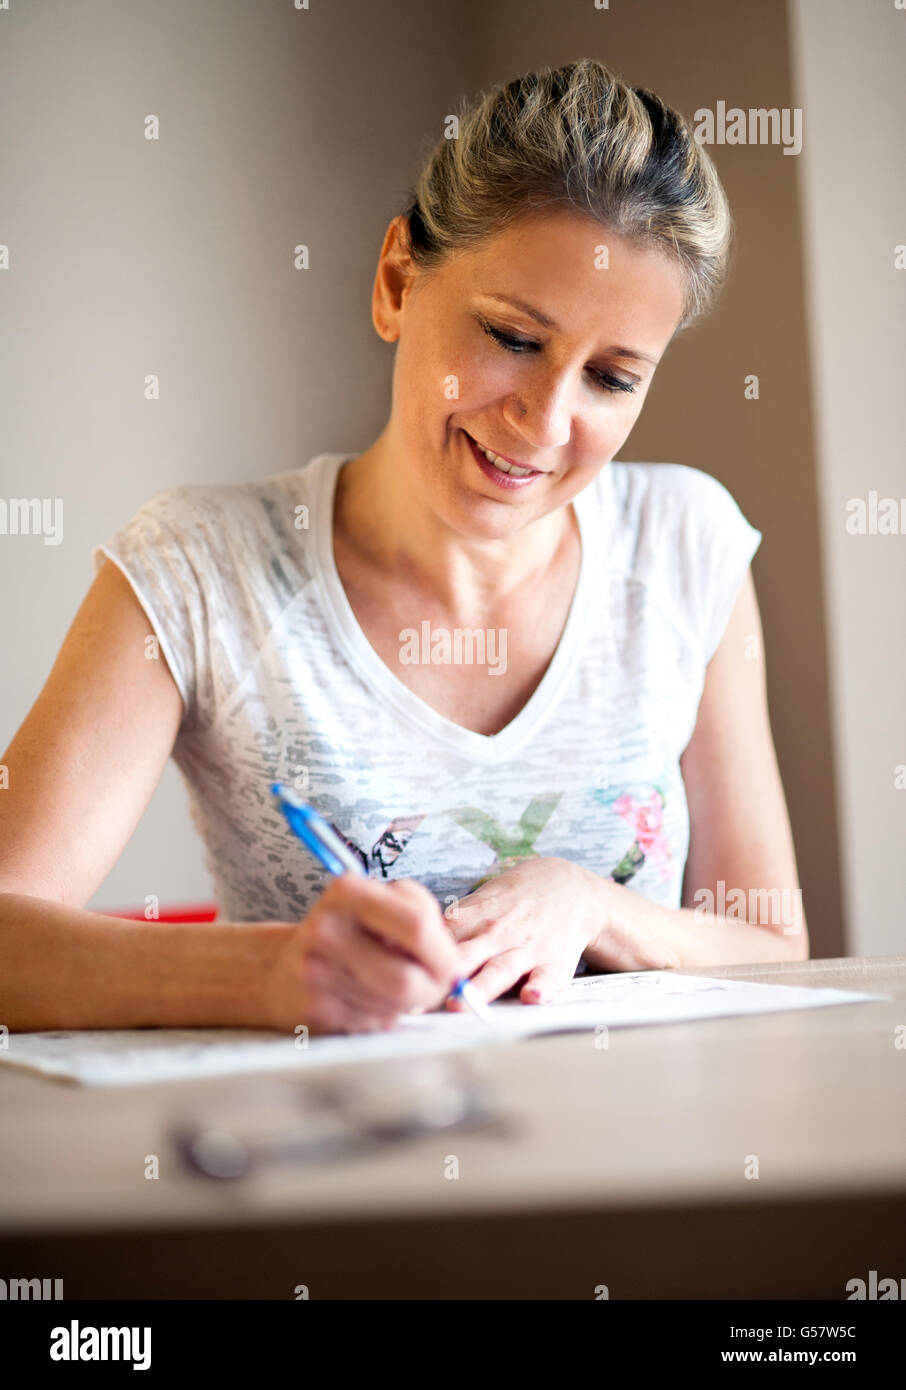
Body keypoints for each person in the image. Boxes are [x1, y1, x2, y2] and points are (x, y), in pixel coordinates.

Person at [0, 58, 807, 1037]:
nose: (546, 422)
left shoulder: (687, 545)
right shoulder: (199, 569)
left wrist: (597, 908)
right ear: (395, 282)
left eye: (611, 377)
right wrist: (264, 975)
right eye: (513, 337)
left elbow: (772, 946)